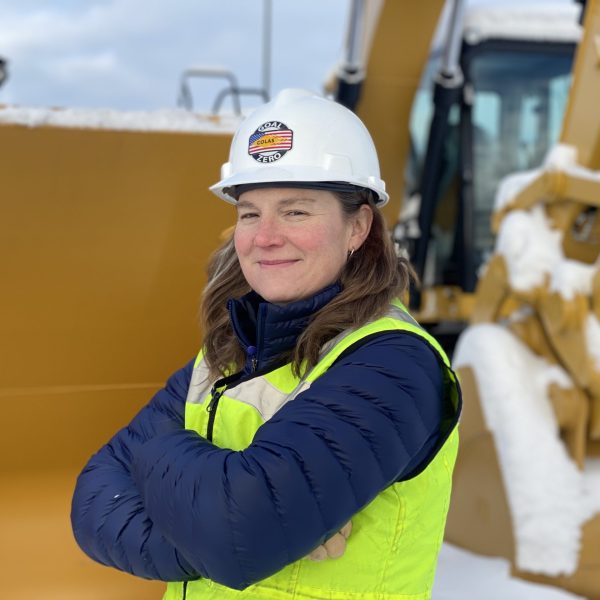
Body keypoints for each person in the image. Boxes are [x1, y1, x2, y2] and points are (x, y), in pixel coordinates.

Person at [71, 88, 461, 600]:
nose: (265, 237)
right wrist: (215, 523)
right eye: (250, 213)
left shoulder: (392, 364)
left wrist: (155, 460)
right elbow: (93, 501)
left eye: (295, 212)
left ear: (359, 226)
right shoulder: (225, 354)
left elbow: (238, 536)